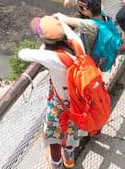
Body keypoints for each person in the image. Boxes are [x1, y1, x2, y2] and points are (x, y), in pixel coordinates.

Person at [20, 16, 82, 168]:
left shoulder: (52, 57)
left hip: (61, 103)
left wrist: (42, 45)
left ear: (44, 39)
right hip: (78, 100)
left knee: (55, 136)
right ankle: (69, 158)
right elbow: (65, 29)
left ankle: (56, 164)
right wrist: (57, 21)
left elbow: (23, 53)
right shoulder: (76, 43)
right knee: (71, 131)